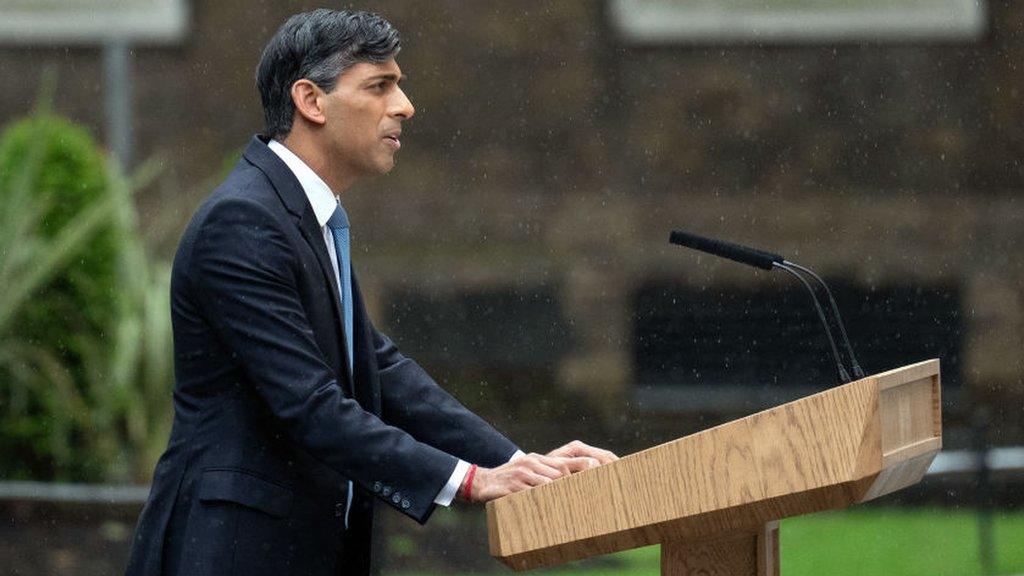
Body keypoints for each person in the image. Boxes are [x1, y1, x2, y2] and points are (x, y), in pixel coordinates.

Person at [124, 9, 617, 576]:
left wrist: (515, 463)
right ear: (311, 101)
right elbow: (311, 405)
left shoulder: (304, 214)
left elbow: (376, 368)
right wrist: (470, 481)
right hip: (234, 550)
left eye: (398, 85)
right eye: (380, 86)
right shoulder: (242, 221)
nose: (404, 106)